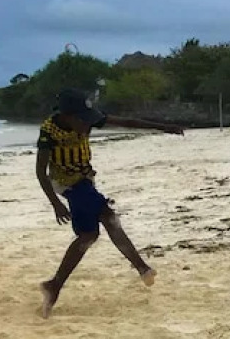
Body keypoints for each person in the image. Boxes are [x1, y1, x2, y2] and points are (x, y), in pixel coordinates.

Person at [36, 89, 183, 317]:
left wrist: (164, 127)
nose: (87, 126)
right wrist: (55, 203)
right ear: (67, 116)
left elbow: (127, 122)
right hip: (66, 183)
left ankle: (53, 286)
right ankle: (142, 268)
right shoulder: (49, 131)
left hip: (84, 179)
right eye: (82, 120)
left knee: (88, 236)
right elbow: (40, 172)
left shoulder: (87, 119)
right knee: (108, 216)